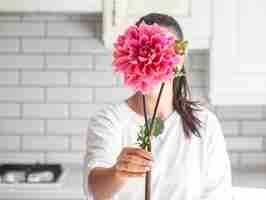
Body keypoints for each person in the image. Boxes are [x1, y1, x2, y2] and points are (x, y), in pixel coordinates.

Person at [83, 13, 234, 200]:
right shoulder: (109, 121)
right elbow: (96, 190)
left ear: (181, 57)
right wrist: (118, 172)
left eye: (166, 49)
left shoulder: (205, 123)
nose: (156, 59)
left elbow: (218, 194)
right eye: (149, 49)